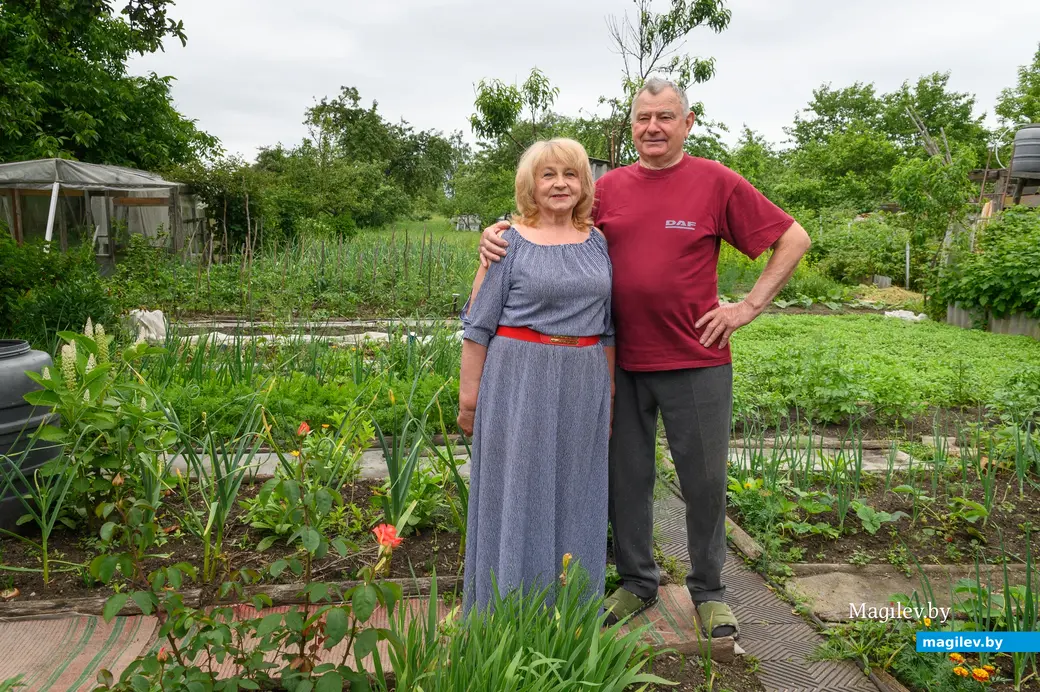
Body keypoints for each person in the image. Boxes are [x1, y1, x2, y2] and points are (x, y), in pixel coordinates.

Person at [478, 77, 812, 638]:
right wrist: (498, 233)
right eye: (642, 117)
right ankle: (637, 583)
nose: (652, 127)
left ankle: (709, 590)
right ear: (631, 125)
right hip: (618, 364)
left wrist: (747, 306)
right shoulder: (609, 188)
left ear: (688, 122)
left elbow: (794, 237)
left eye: (665, 117)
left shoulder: (715, 182)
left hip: (695, 358)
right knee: (625, 480)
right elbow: (554, 221)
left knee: (703, 479)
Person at [457, 138, 615, 614]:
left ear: (585, 183)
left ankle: (568, 611)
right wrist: (470, 402)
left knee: (577, 492)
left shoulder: (598, 241)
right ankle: (504, 611)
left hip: (584, 383)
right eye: (548, 175)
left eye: (570, 174)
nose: (560, 184)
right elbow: (478, 324)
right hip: (518, 382)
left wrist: (608, 398)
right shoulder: (507, 240)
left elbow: (607, 328)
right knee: (518, 492)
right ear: (530, 184)